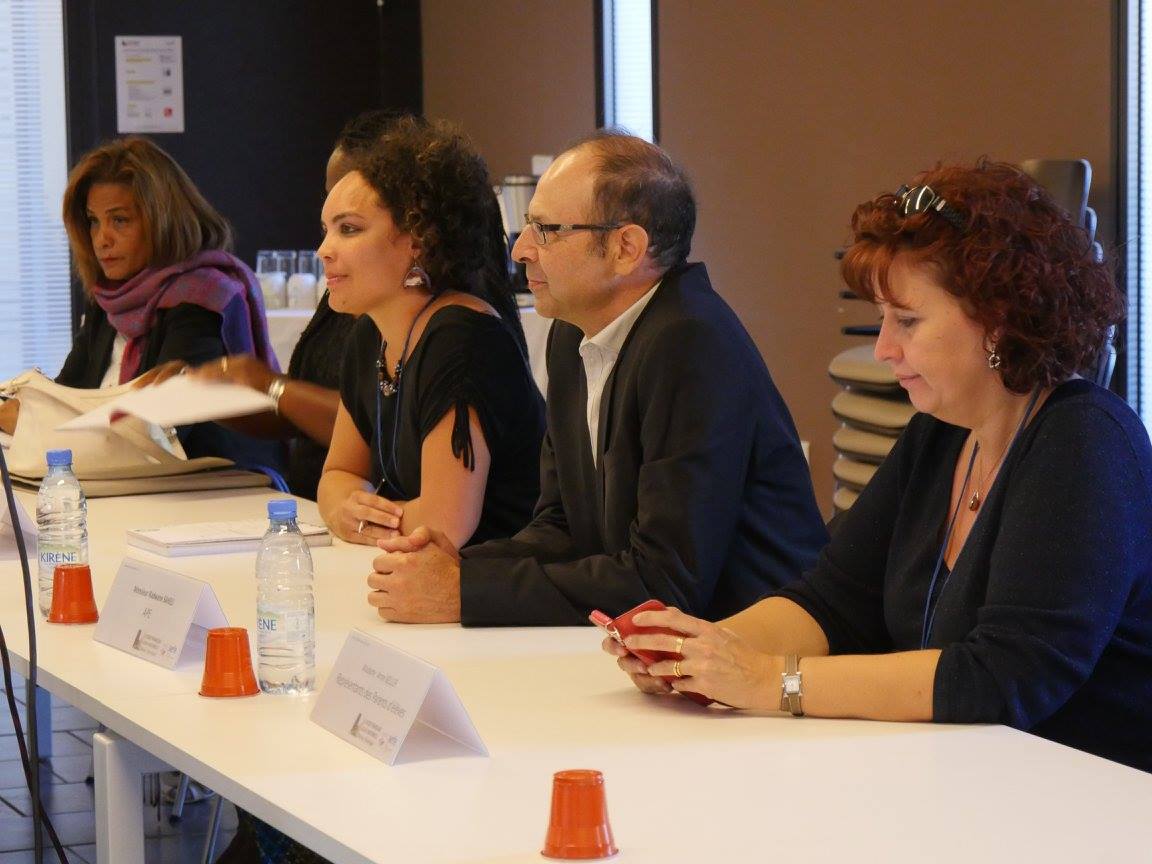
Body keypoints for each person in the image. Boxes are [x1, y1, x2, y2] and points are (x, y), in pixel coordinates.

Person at [604, 160, 1152, 773]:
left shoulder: (1085, 442)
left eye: (908, 320)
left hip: (1092, 808)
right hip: (971, 785)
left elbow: (1002, 678)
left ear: (999, 319)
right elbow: (834, 602)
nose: (885, 346)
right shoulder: (943, 432)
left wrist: (769, 682)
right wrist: (701, 654)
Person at [369, 131, 828, 625]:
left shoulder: (690, 343)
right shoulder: (572, 335)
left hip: (759, 653)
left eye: (545, 230)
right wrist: (459, 565)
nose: (521, 249)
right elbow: (563, 528)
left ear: (626, 248)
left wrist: (466, 591)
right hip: (663, 651)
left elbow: (666, 580)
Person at [315, 116, 544, 549]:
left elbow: (443, 524)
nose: (324, 250)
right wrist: (344, 507)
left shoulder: (461, 337)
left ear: (419, 240)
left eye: (349, 229)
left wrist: (360, 517)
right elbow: (337, 477)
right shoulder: (370, 333)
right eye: (326, 230)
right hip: (438, 583)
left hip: (506, 588)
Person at [0, 136, 282, 472]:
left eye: (119, 220)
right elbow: (67, 394)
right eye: (93, 221)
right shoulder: (109, 301)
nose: (102, 239)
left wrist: (28, 423)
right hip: (124, 485)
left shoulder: (203, 301)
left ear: (162, 220)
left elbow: (156, 431)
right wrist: (27, 409)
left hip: (205, 492)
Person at [170, 110, 413, 499]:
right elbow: (298, 421)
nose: (324, 248)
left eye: (349, 226)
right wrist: (211, 393)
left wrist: (274, 386)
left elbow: (381, 431)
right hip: (313, 506)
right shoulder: (346, 305)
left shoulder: (433, 325)